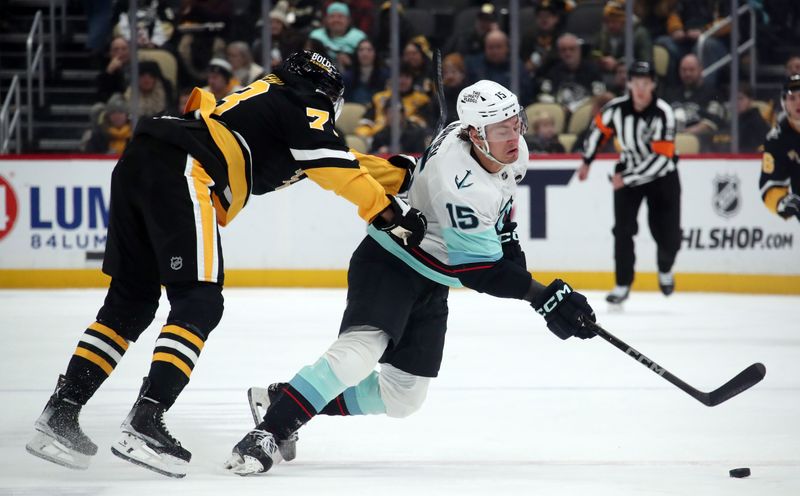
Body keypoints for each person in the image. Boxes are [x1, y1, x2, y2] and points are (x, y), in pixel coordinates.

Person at [25, 50, 427, 479]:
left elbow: (338, 161)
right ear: (325, 90)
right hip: (186, 167)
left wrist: (399, 174)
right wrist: (387, 211)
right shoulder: (305, 101)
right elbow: (329, 162)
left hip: (144, 159)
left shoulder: (274, 106)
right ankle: (146, 420)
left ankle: (61, 413)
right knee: (199, 302)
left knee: (131, 303)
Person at [222, 80, 597, 476]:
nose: (514, 135)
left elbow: (500, 214)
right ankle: (266, 434)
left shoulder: (505, 149)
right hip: (391, 263)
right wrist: (542, 295)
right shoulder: (459, 185)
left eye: (514, 122)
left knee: (403, 398)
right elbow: (479, 271)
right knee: (357, 357)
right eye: (500, 129)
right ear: (475, 135)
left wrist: (526, 276)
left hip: (433, 278)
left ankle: (285, 399)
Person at [577, 61, 681, 304]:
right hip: (627, 174)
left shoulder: (663, 112)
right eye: (636, 83)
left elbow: (661, 159)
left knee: (668, 234)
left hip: (662, 177)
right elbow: (597, 131)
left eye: (645, 83)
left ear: (653, 85)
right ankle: (622, 284)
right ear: (629, 84)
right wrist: (586, 161)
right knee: (622, 231)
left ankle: (665, 268)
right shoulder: (616, 109)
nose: (641, 89)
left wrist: (627, 178)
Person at [759, 74, 800, 223]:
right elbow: (770, 184)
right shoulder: (777, 139)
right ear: (784, 103)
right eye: (792, 98)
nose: (798, 103)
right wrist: (782, 201)